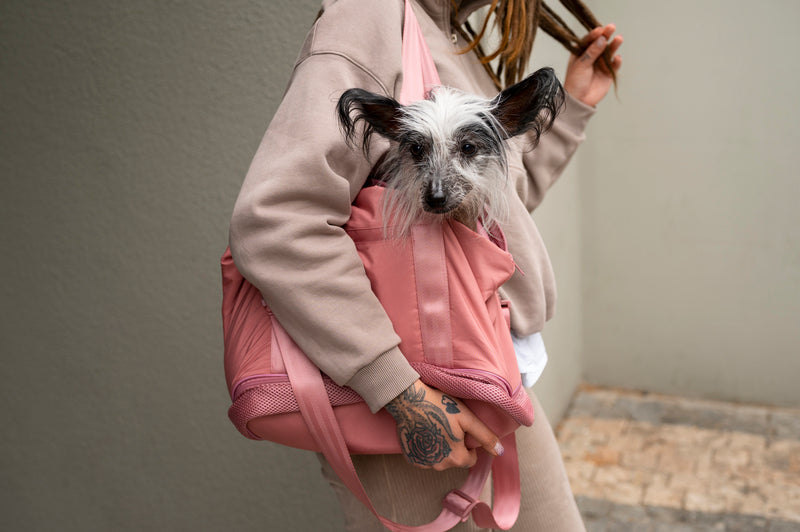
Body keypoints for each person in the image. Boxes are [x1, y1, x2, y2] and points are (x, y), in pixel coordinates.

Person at [229, 0, 622, 530]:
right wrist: (400, 392)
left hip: (483, 371)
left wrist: (570, 106)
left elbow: (493, 208)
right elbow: (277, 219)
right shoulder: (370, 16)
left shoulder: (441, 34)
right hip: (422, 393)